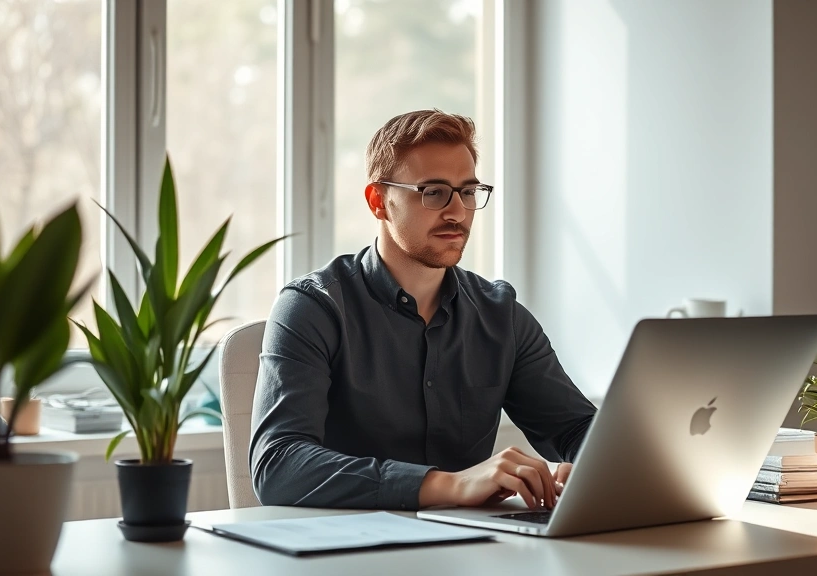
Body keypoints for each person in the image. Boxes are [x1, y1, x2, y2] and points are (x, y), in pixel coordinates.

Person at [250, 110, 596, 511]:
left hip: (471, 549)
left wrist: (594, 465)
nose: (458, 212)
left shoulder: (502, 317)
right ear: (378, 201)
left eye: (468, 192)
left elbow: (575, 429)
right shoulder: (312, 308)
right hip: (342, 552)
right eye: (434, 192)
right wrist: (449, 485)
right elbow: (278, 465)